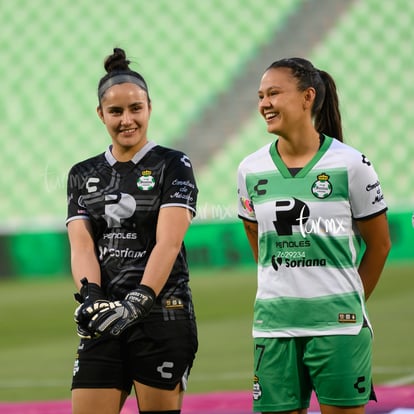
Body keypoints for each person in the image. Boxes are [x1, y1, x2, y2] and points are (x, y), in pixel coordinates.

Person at [237, 57, 391, 414]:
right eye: (261, 95)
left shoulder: (352, 164)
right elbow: (257, 241)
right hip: (273, 328)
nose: (264, 104)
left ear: (308, 97)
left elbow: (380, 245)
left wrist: (347, 302)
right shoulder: (249, 169)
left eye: (274, 93)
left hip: (339, 329)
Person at [66, 47, 198, 414]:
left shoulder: (174, 164)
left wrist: (139, 301)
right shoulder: (82, 173)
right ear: (100, 114)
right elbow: (82, 247)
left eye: (135, 108)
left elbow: (168, 242)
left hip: (160, 315)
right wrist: (91, 296)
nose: (127, 119)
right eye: (116, 111)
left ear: (150, 108)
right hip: (105, 318)